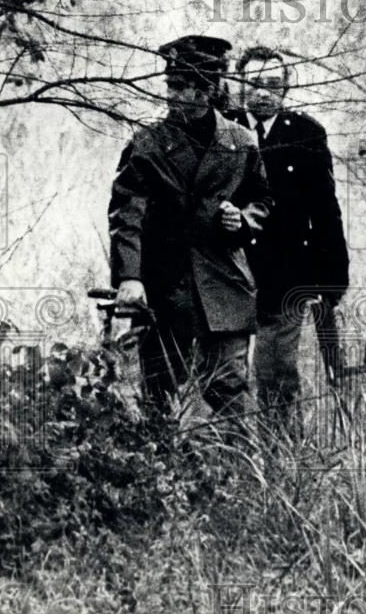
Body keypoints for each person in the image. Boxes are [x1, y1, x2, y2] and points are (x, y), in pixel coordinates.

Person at [108, 35, 273, 438]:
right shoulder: (147, 144)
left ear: (211, 90)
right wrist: (130, 277)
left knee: (230, 388)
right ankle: (162, 477)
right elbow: (126, 214)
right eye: (172, 86)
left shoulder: (240, 142)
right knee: (159, 389)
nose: (176, 97)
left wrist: (244, 220)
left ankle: (244, 478)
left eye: (187, 87)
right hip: (167, 288)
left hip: (224, 284)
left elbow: (262, 200)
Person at [225, 46, 349, 430]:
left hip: (286, 274)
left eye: (274, 85)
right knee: (224, 378)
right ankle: (228, 463)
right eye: (255, 83)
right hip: (229, 269)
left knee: (277, 373)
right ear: (240, 83)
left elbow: (325, 210)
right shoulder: (222, 129)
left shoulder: (306, 133)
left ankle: (280, 459)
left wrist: (331, 280)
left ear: (286, 88)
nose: (264, 93)